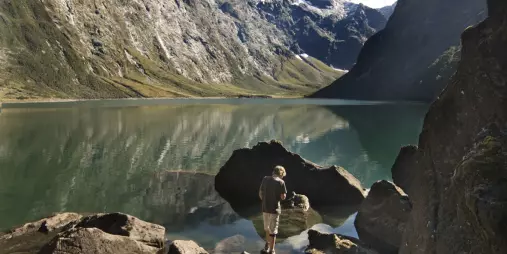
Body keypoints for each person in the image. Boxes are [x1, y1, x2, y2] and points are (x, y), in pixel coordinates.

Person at [259, 165, 287, 254]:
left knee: (267, 228)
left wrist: (265, 201)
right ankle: (272, 250)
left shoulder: (265, 179)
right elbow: (283, 197)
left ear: (273, 172)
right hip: (274, 209)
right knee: (273, 230)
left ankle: (266, 246)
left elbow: (260, 193)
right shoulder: (281, 182)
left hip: (265, 208)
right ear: (281, 173)